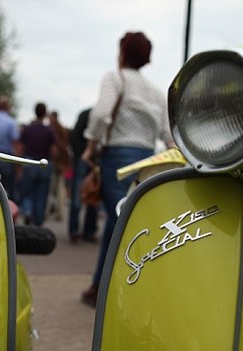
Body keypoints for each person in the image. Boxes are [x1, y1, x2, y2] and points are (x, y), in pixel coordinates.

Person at [80, 31, 171, 307]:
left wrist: (90, 145)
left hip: (117, 156)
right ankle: (104, 284)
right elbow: (168, 135)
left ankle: (109, 287)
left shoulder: (115, 78)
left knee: (119, 221)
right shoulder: (156, 92)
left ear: (122, 53)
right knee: (128, 219)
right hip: (148, 159)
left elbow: (100, 114)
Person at [18, 102, 58, 225]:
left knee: (28, 192)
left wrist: (19, 166)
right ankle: (38, 223)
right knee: (42, 195)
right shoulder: (49, 131)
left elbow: (20, 148)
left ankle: (27, 211)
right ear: (45, 113)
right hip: (44, 163)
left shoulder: (27, 129)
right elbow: (54, 151)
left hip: (29, 162)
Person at [68, 107, 99, 243]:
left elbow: (74, 136)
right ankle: (88, 231)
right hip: (93, 160)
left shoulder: (85, 114)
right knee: (93, 194)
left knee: (78, 195)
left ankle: (75, 231)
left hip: (83, 159)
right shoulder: (98, 116)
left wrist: (79, 154)